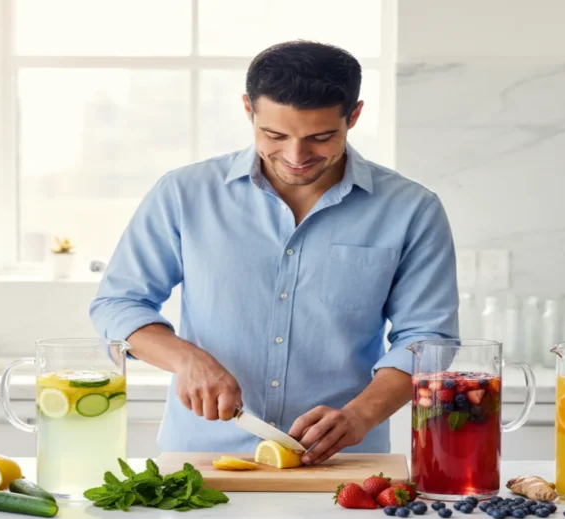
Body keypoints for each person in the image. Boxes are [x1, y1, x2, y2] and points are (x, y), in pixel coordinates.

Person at [89, 40, 459, 465]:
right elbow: (118, 303)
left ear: (353, 116)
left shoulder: (410, 209)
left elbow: (428, 338)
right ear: (249, 109)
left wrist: (360, 416)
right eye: (274, 135)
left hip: (344, 465)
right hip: (201, 460)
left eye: (320, 137)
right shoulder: (184, 194)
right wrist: (187, 359)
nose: (295, 156)